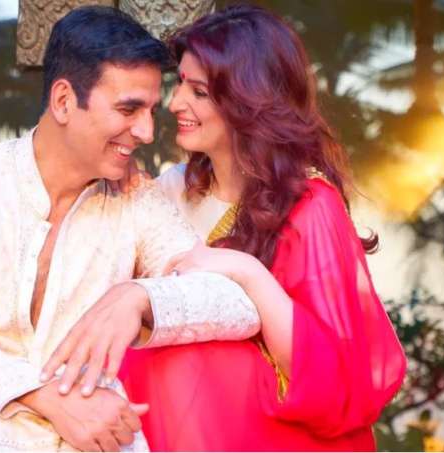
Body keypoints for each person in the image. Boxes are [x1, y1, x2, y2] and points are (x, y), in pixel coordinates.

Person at [0, 6, 261, 451]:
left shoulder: (136, 200)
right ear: (64, 101)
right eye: (129, 109)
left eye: (150, 110)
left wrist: (139, 296)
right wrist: (47, 398)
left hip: (78, 417)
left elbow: (235, 303)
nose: (147, 132)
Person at [43, 4, 407, 451]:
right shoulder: (171, 189)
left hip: (275, 435)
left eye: (198, 92)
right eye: (181, 85)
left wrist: (248, 273)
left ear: (248, 100)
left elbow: (333, 380)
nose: (176, 104)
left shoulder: (310, 206)